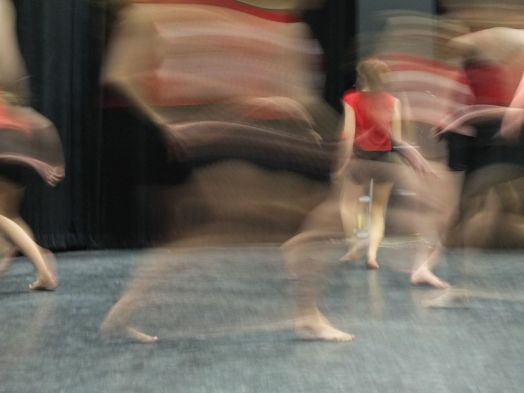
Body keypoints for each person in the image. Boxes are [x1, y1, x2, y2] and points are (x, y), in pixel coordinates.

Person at [0, 0, 64, 290]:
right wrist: (47, 158)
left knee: (4, 217)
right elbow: (41, 124)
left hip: (7, 148)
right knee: (7, 215)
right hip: (16, 149)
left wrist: (45, 158)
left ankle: (41, 265)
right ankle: (30, 261)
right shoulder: (13, 104)